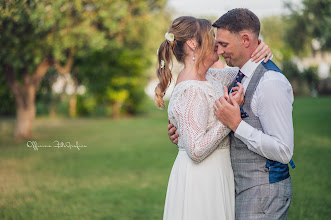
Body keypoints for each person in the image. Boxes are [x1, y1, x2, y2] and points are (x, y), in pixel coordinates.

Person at [169, 9, 295, 220]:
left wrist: (262, 48)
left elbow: (284, 151)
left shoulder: (221, 77)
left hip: (250, 186)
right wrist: (186, 130)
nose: (218, 49)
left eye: (223, 44)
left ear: (246, 40)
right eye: (214, 41)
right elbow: (195, 145)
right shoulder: (201, 84)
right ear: (193, 44)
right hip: (209, 180)